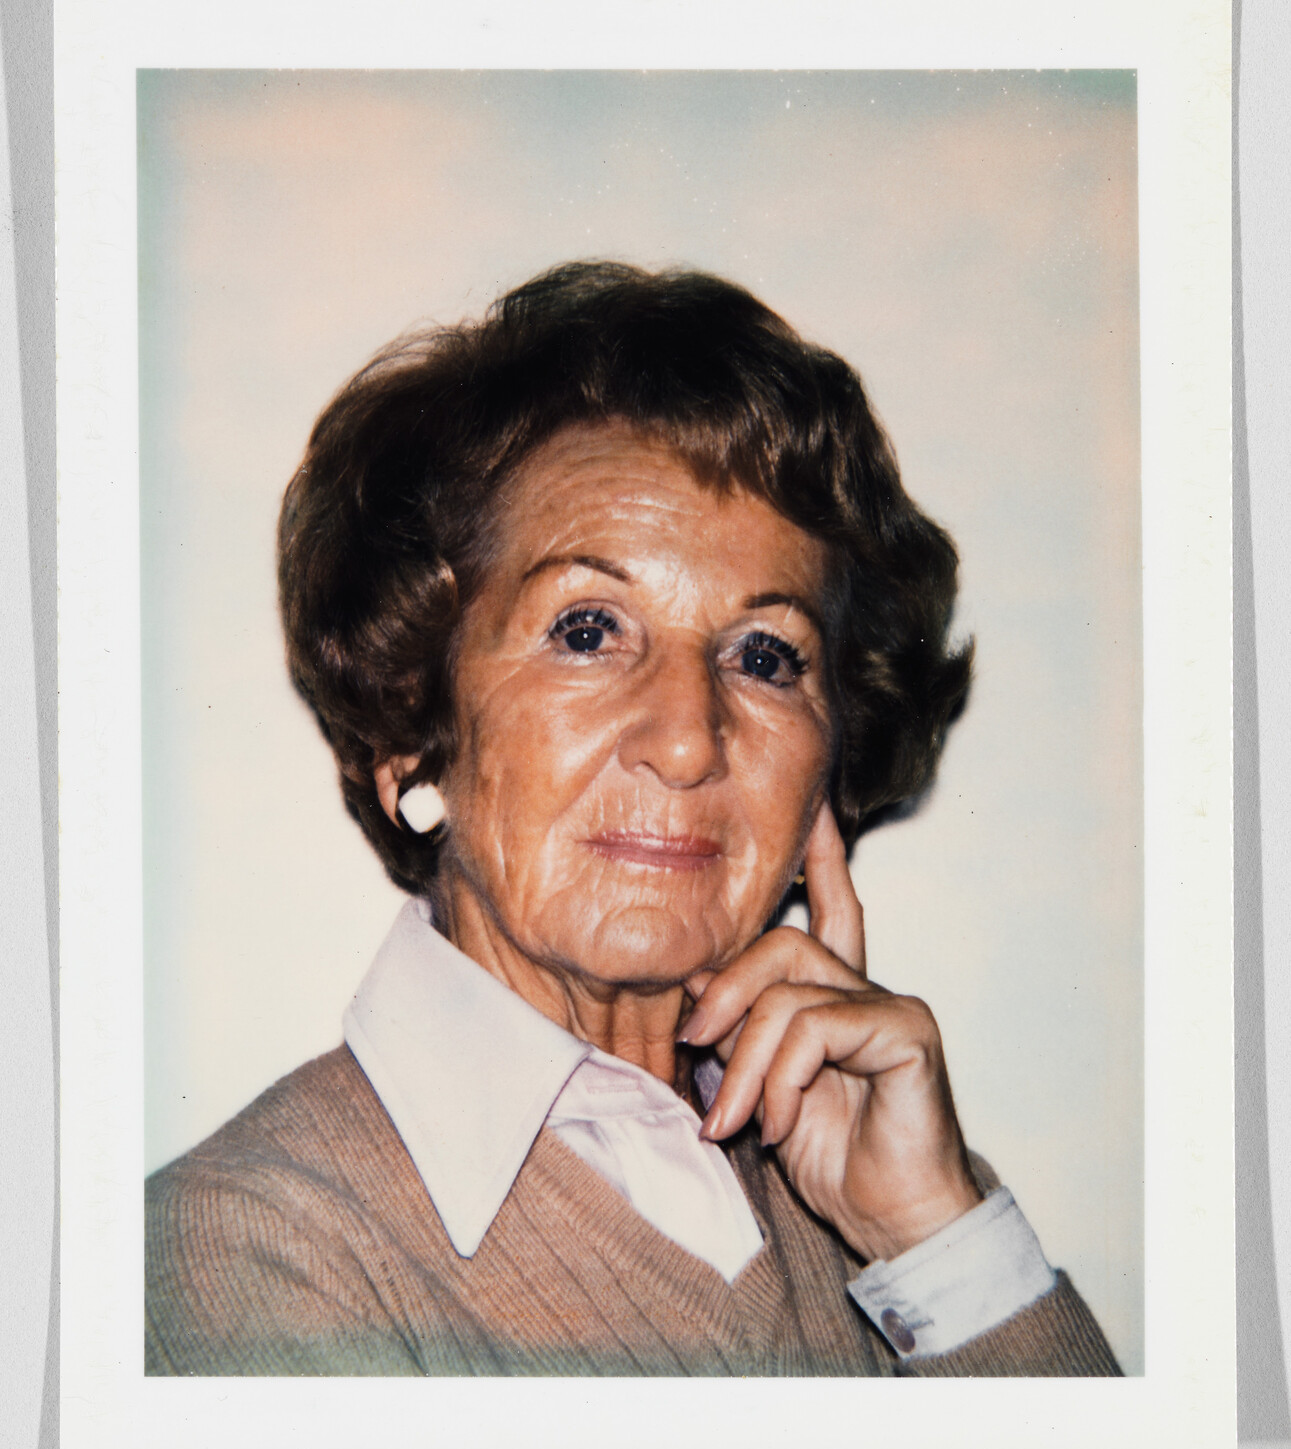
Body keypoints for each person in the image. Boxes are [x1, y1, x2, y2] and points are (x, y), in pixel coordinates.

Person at [145, 261, 1120, 1377]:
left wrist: (936, 1244)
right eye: (588, 629)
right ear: (413, 731)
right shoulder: (243, 1262)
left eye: (764, 655)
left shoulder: (879, 1188)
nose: (689, 736)